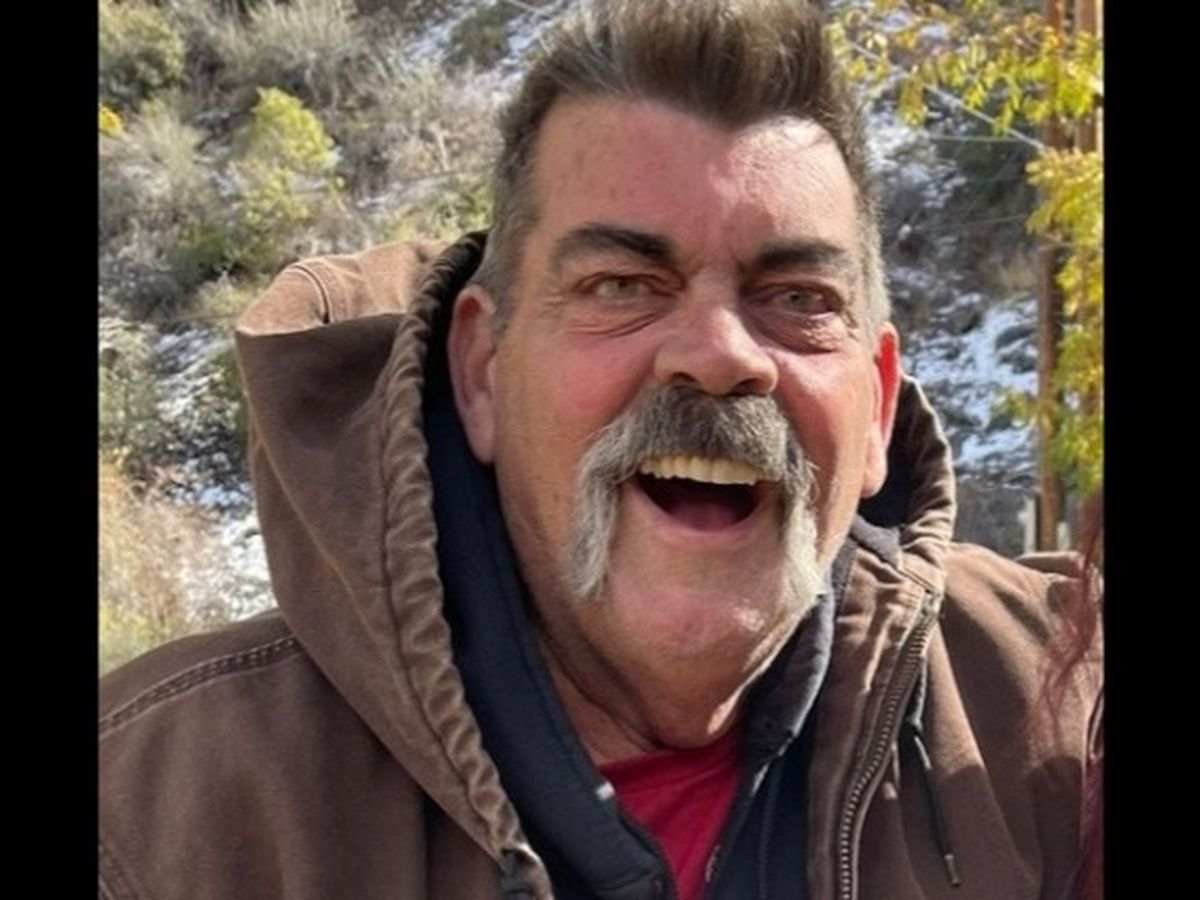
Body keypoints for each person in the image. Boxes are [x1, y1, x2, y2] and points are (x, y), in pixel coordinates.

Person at [98, 2, 1103, 898]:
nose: (720, 355)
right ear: (483, 371)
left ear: (878, 407)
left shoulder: (1057, 712)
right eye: (622, 285)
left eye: (798, 298)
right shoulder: (153, 816)